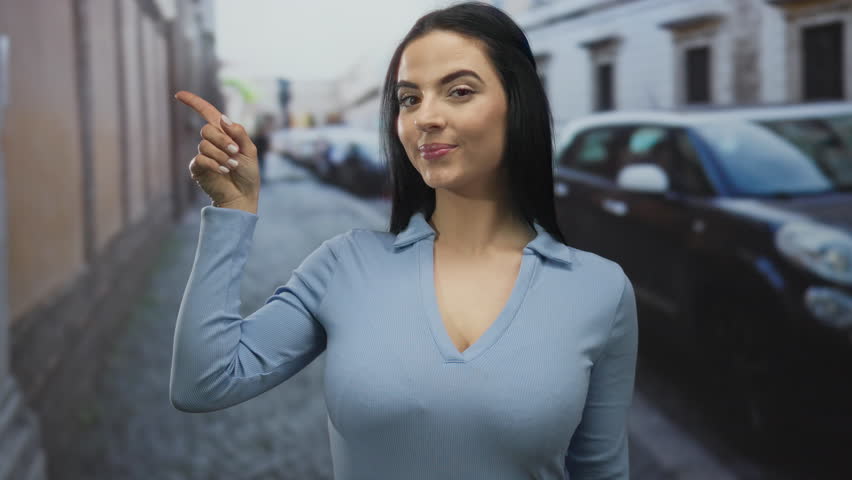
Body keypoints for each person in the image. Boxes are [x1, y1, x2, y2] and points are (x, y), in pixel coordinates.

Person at [170, 2, 638, 479]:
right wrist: (232, 211)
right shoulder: (344, 265)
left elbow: (601, 472)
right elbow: (203, 382)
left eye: (458, 91)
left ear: (519, 103)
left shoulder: (599, 289)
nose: (425, 117)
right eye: (409, 99)